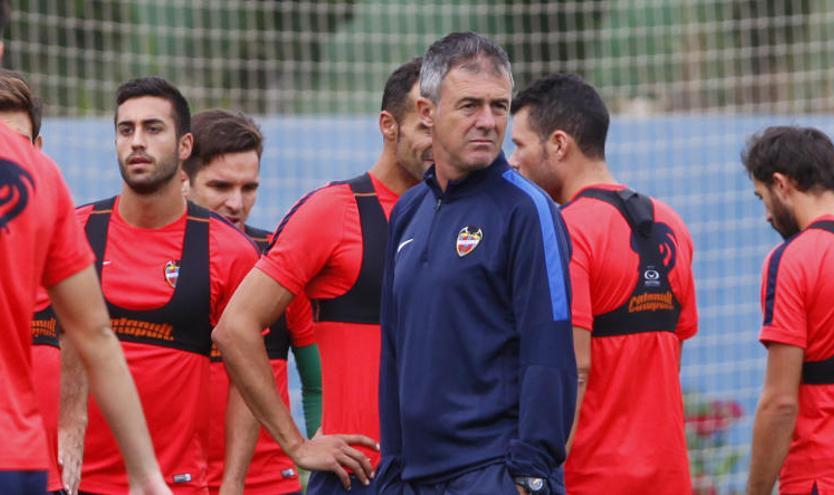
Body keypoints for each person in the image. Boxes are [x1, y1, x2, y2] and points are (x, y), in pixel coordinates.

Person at [212, 57, 430, 494]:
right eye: (424, 125)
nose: (438, 138)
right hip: (360, 477)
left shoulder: (463, 218)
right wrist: (297, 444)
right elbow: (235, 328)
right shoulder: (335, 210)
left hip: (448, 475)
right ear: (389, 125)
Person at [377, 33, 576, 495]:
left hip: (492, 472)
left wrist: (530, 475)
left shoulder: (529, 210)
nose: (487, 121)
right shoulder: (409, 211)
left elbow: (550, 353)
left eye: (499, 106)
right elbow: (393, 350)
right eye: (470, 106)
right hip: (414, 478)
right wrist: (392, 468)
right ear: (428, 113)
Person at [0, 3, 170, 494]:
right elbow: (96, 333)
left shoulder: (39, 177)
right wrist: (147, 474)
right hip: (15, 456)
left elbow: (89, 336)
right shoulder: (39, 176)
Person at [66, 77, 262, 495]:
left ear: (185, 145)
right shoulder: (74, 233)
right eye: (126, 130)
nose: (137, 141)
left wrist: (232, 485)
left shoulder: (232, 251)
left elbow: (247, 383)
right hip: (73, 481)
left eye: (153, 129)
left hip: (179, 485)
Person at [509, 73, 698, 495]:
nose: (514, 160)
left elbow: (573, 367)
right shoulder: (674, 225)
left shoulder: (565, 230)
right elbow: (672, 359)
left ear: (558, 144)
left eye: (520, 144)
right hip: (670, 480)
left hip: (590, 478)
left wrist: (540, 478)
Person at [183, 108, 322, 495]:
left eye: (249, 188)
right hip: (173, 480)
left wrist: (323, 463)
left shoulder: (280, 263)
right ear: (184, 180)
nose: (237, 202)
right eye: (221, 186)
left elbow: (316, 383)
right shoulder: (155, 260)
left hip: (268, 485)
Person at [742, 127, 834, 495]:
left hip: (824, 477)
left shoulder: (794, 259)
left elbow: (780, 404)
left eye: (762, 198)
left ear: (781, 184)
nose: (767, 215)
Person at [0, 68, 90, 495]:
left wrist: (72, 420)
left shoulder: (61, 243)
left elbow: (91, 335)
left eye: (14, 143)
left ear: (38, 151)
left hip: (35, 469)